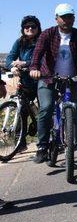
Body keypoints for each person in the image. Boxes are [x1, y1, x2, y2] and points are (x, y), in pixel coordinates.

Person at [29, 3, 77, 167]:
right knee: (46, 108)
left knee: (76, 118)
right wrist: (34, 68)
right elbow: (37, 54)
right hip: (48, 78)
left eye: (70, 17)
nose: (67, 20)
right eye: (64, 17)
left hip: (71, 80)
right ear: (56, 18)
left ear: (74, 18)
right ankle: (42, 147)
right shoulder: (47, 34)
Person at [6, 15, 41, 152]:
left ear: (38, 28)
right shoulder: (19, 42)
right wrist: (12, 66)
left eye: (33, 26)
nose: (30, 29)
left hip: (40, 81)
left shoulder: (41, 41)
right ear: (23, 29)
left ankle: (49, 140)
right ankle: (20, 142)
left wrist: (25, 63)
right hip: (25, 82)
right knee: (21, 110)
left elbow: (41, 59)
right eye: (27, 27)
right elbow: (10, 57)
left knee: (44, 110)